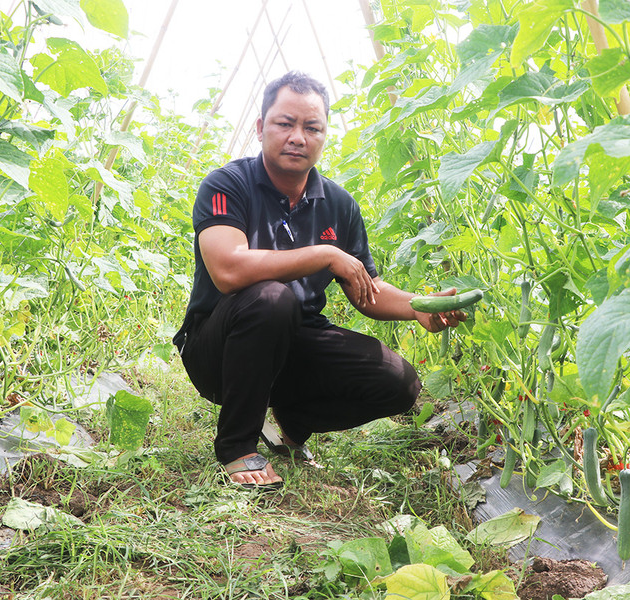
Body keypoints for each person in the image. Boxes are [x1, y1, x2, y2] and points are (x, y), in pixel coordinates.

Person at [173, 71, 465, 489]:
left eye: (312, 127)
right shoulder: (228, 184)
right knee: (272, 299)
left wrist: (418, 306)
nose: (298, 137)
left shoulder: (339, 205)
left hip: (295, 342)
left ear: (325, 136)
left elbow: (367, 292)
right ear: (260, 128)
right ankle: (237, 446)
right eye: (285, 124)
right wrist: (325, 254)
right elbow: (228, 270)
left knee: (398, 382)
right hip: (217, 349)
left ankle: (293, 422)